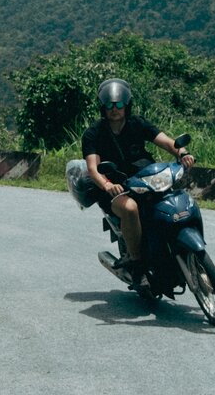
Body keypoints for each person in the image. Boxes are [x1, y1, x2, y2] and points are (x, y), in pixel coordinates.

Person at [80, 78, 194, 278]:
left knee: (176, 200)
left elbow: (167, 142)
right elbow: (93, 169)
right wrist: (108, 185)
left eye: (119, 104)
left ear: (127, 105)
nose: (114, 109)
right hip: (116, 189)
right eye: (109, 105)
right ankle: (136, 261)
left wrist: (182, 153)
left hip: (145, 180)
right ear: (102, 107)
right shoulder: (93, 134)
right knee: (130, 208)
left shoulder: (138, 123)